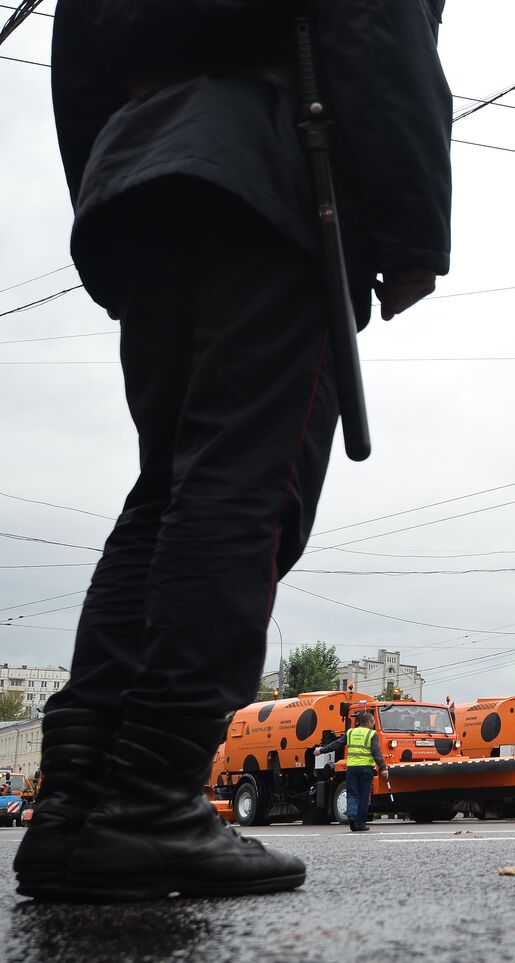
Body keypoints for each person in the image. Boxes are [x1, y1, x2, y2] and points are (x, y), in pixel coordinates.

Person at [17, 0, 451, 903]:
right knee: (243, 492)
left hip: (145, 177)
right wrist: (411, 228)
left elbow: (75, 53)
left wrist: (114, 182)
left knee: (168, 490)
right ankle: (147, 803)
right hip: (272, 168)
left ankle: (77, 808)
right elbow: (376, 19)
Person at [318, 711, 387, 831]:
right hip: (366, 769)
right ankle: (360, 823)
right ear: (370, 722)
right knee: (364, 796)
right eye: (373, 722)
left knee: (352, 794)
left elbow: (336, 744)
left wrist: (321, 750)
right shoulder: (372, 734)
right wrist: (383, 768)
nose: (373, 724)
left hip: (352, 768)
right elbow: (377, 753)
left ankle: (352, 817)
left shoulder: (350, 732)